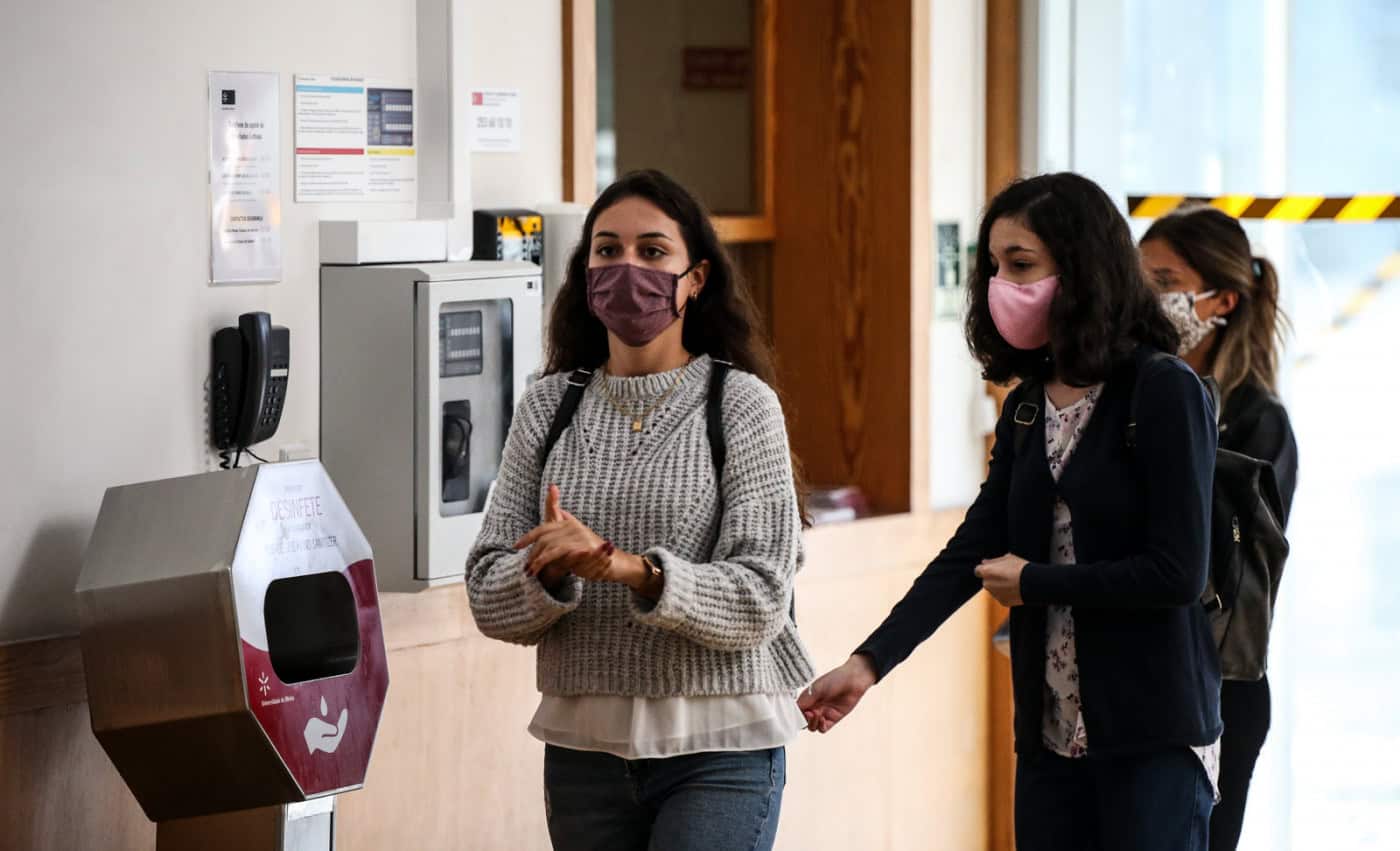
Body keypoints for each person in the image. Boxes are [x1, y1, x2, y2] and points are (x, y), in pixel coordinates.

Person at [799, 172, 1221, 850]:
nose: (1001, 283)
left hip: (1152, 736)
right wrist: (868, 661)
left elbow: (1176, 571)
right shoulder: (1026, 403)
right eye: (993, 266)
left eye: (1020, 265)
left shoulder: (1163, 389)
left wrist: (1036, 582)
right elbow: (972, 549)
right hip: (1050, 737)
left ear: (1081, 268)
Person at [465, 169, 814, 851]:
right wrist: (552, 572)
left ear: (697, 278)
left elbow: (764, 594)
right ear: (584, 272)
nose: (627, 268)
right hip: (582, 752)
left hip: (721, 747)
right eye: (607, 251)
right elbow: (486, 589)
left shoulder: (740, 404)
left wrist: (636, 572)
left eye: (653, 252)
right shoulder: (547, 405)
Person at [1141, 206, 1298, 851]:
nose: (1143, 300)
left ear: (1222, 300)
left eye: (1162, 282)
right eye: (1136, 280)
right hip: (1137, 682)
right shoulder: (1135, 393)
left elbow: (1211, 561)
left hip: (1218, 690)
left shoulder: (1257, 421)